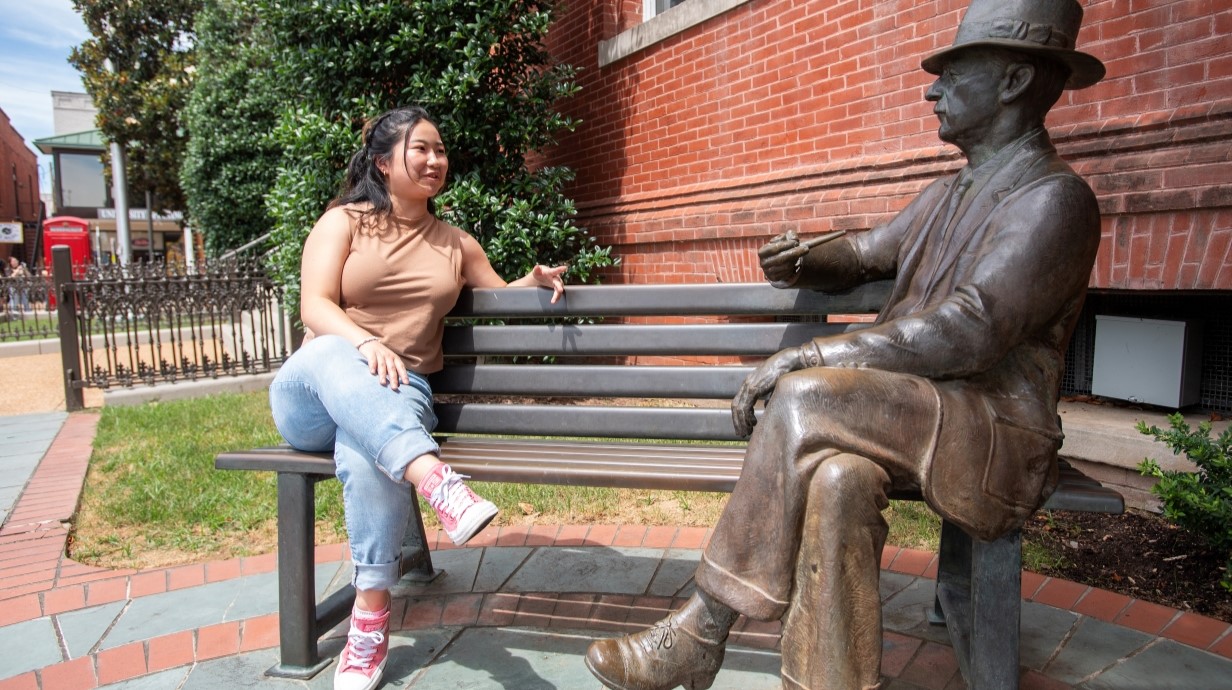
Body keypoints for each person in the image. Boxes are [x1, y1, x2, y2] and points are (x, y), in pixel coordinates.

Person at [584, 1, 1105, 688]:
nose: (932, 89)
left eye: (953, 73)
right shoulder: (948, 194)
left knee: (802, 397)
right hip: (918, 417)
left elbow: (968, 331)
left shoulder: (1054, 201)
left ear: (1011, 81)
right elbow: (866, 252)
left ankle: (703, 629)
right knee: (840, 480)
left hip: (994, 434)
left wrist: (810, 356)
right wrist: (805, 259)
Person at [268, 105, 566, 690]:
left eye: (440, 151)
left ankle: (369, 623)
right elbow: (315, 309)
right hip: (315, 390)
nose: (435, 160)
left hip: (398, 397)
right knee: (334, 355)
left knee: (365, 450)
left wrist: (532, 283)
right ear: (383, 163)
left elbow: (500, 296)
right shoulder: (344, 223)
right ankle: (435, 479)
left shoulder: (455, 243)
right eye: (421, 149)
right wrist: (365, 343)